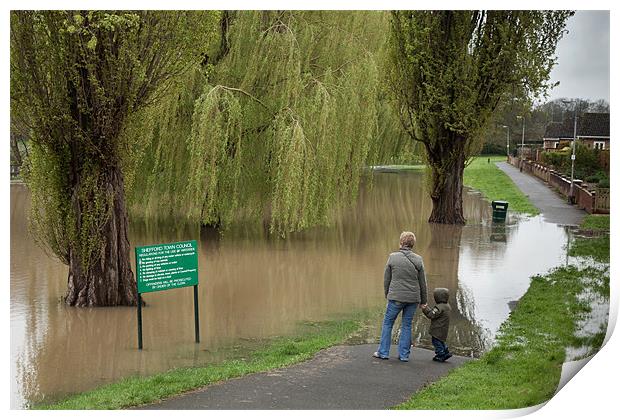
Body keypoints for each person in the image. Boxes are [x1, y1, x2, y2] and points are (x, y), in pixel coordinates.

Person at [373, 231, 427, 362]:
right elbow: (422, 283)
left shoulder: (393, 257)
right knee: (407, 325)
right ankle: (404, 355)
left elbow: (386, 279)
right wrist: (424, 301)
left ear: (401, 242)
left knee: (388, 323)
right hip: (413, 299)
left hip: (395, 297)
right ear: (413, 244)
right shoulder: (418, 259)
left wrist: (388, 294)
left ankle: (383, 352)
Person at [421, 287, 453, 362]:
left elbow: (431, 315)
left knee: (436, 341)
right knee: (441, 341)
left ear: (437, 297)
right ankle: (446, 351)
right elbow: (434, 313)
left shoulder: (439, 307)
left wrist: (424, 309)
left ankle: (440, 354)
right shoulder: (447, 306)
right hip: (444, 329)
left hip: (437, 329)